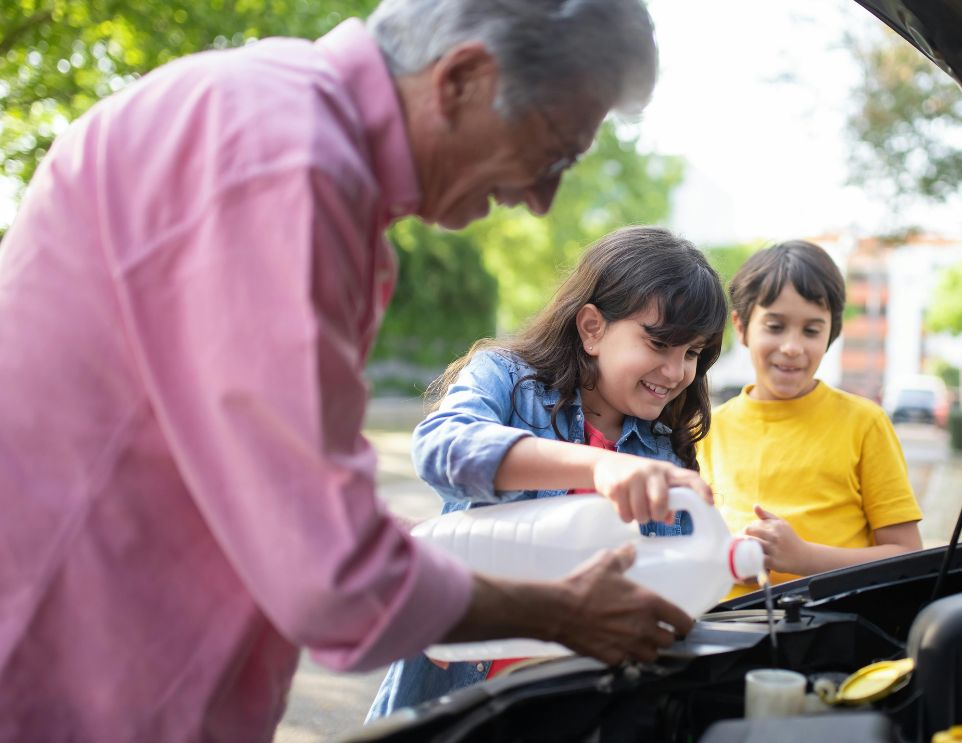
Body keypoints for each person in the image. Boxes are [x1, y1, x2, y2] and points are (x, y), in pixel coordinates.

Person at [0, 1, 696, 740]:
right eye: (553, 153)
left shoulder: (285, 130)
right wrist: (561, 610)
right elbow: (334, 573)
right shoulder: (285, 161)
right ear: (462, 77)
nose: (539, 199)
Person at [367, 225, 727, 717]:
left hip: (570, 702)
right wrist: (601, 465)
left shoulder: (665, 452)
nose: (676, 372)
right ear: (592, 328)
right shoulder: (506, 379)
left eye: (692, 353)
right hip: (458, 681)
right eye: (660, 344)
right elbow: (441, 446)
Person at [696, 241, 923, 599]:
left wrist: (803, 557)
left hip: (834, 628)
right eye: (775, 326)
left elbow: (907, 556)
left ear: (832, 333)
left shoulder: (865, 423)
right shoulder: (707, 428)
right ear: (741, 327)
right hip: (726, 627)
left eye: (811, 331)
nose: (792, 346)